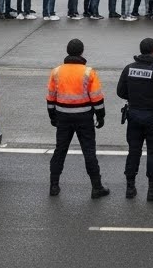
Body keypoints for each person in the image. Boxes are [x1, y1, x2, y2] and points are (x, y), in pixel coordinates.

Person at [46, 38, 109, 198]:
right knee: (89, 152)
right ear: (81, 52)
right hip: (84, 117)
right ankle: (97, 187)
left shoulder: (56, 71)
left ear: (68, 52)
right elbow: (97, 98)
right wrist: (100, 116)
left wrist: (53, 117)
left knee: (60, 150)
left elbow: (50, 97)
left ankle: (54, 186)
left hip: (63, 116)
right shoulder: (88, 72)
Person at [116, 37, 153, 201]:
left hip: (133, 115)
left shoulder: (129, 68)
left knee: (133, 151)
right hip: (152, 117)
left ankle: (130, 187)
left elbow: (120, 92)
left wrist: (134, 98)